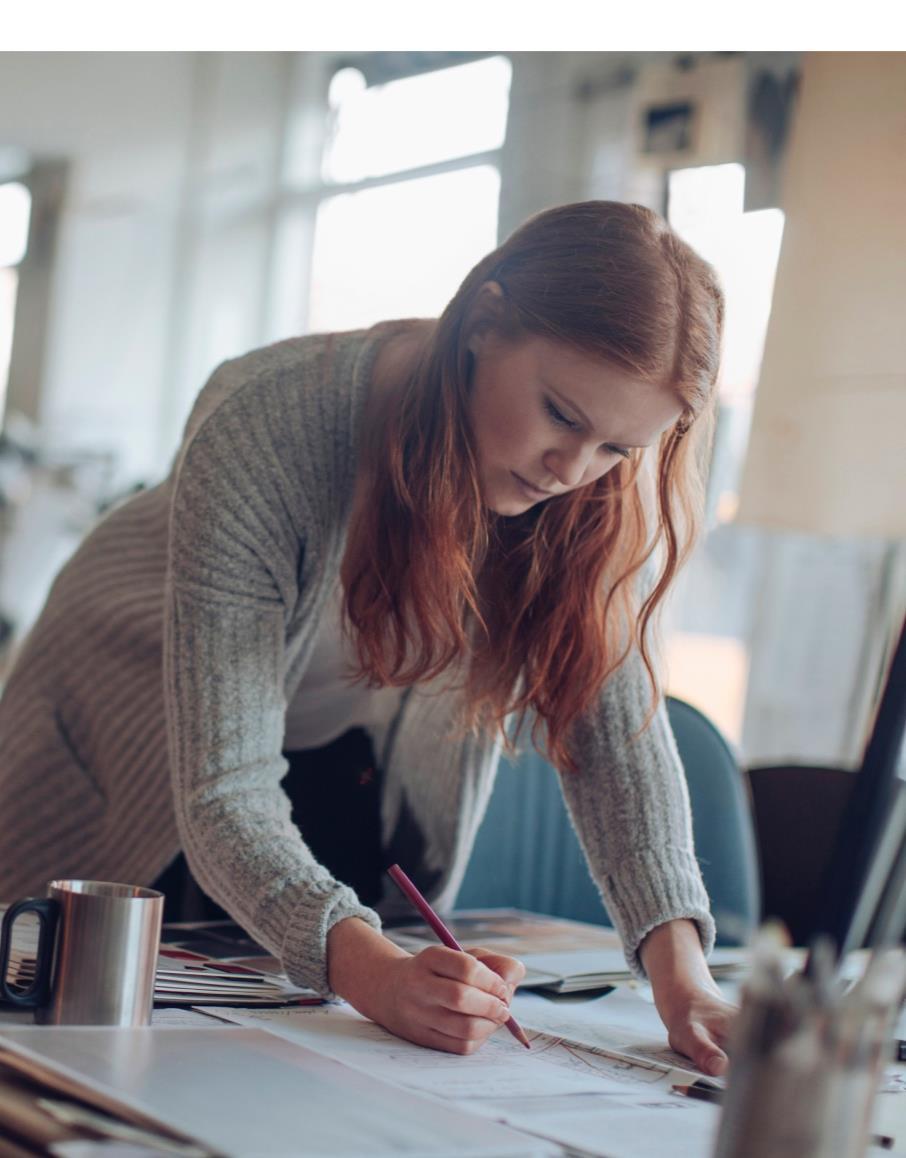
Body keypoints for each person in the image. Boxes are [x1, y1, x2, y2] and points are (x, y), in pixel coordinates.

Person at [0, 200, 735, 1072]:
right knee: (83, 1048)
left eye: (617, 447)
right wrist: (375, 977)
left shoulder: (587, 498)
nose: (570, 472)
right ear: (484, 322)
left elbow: (616, 738)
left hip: (330, 747)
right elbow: (225, 784)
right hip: (130, 730)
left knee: (311, 1053)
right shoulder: (270, 420)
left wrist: (685, 983)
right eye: (562, 416)